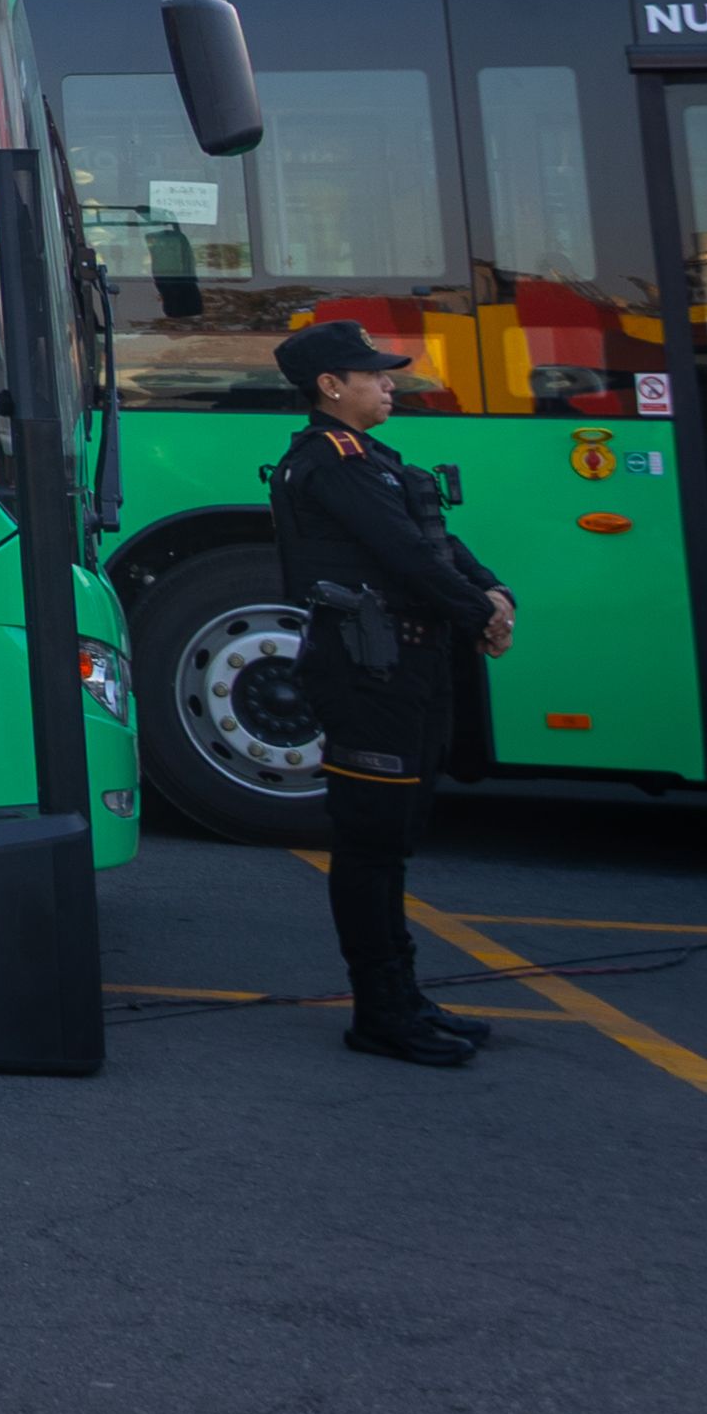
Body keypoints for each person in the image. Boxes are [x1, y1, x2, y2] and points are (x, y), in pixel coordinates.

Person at [267, 315, 513, 1067]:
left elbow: (433, 538)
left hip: (409, 669)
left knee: (395, 840)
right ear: (330, 387)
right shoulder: (330, 462)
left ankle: (404, 998)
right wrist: (481, 613)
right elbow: (402, 553)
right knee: (371, 844)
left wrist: (490, 589)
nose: (388, 382)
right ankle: (379, 1011)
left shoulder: (370, 457)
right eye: (373, 373)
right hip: (367, 674)